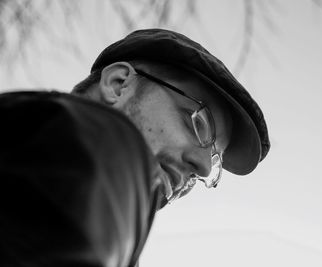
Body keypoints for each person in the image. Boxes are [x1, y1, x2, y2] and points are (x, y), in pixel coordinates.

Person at [0, 29, 270, 267]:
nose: (204, 166)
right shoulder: (92, 140)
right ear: (119, 85)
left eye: (215, 158)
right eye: (198, 123)